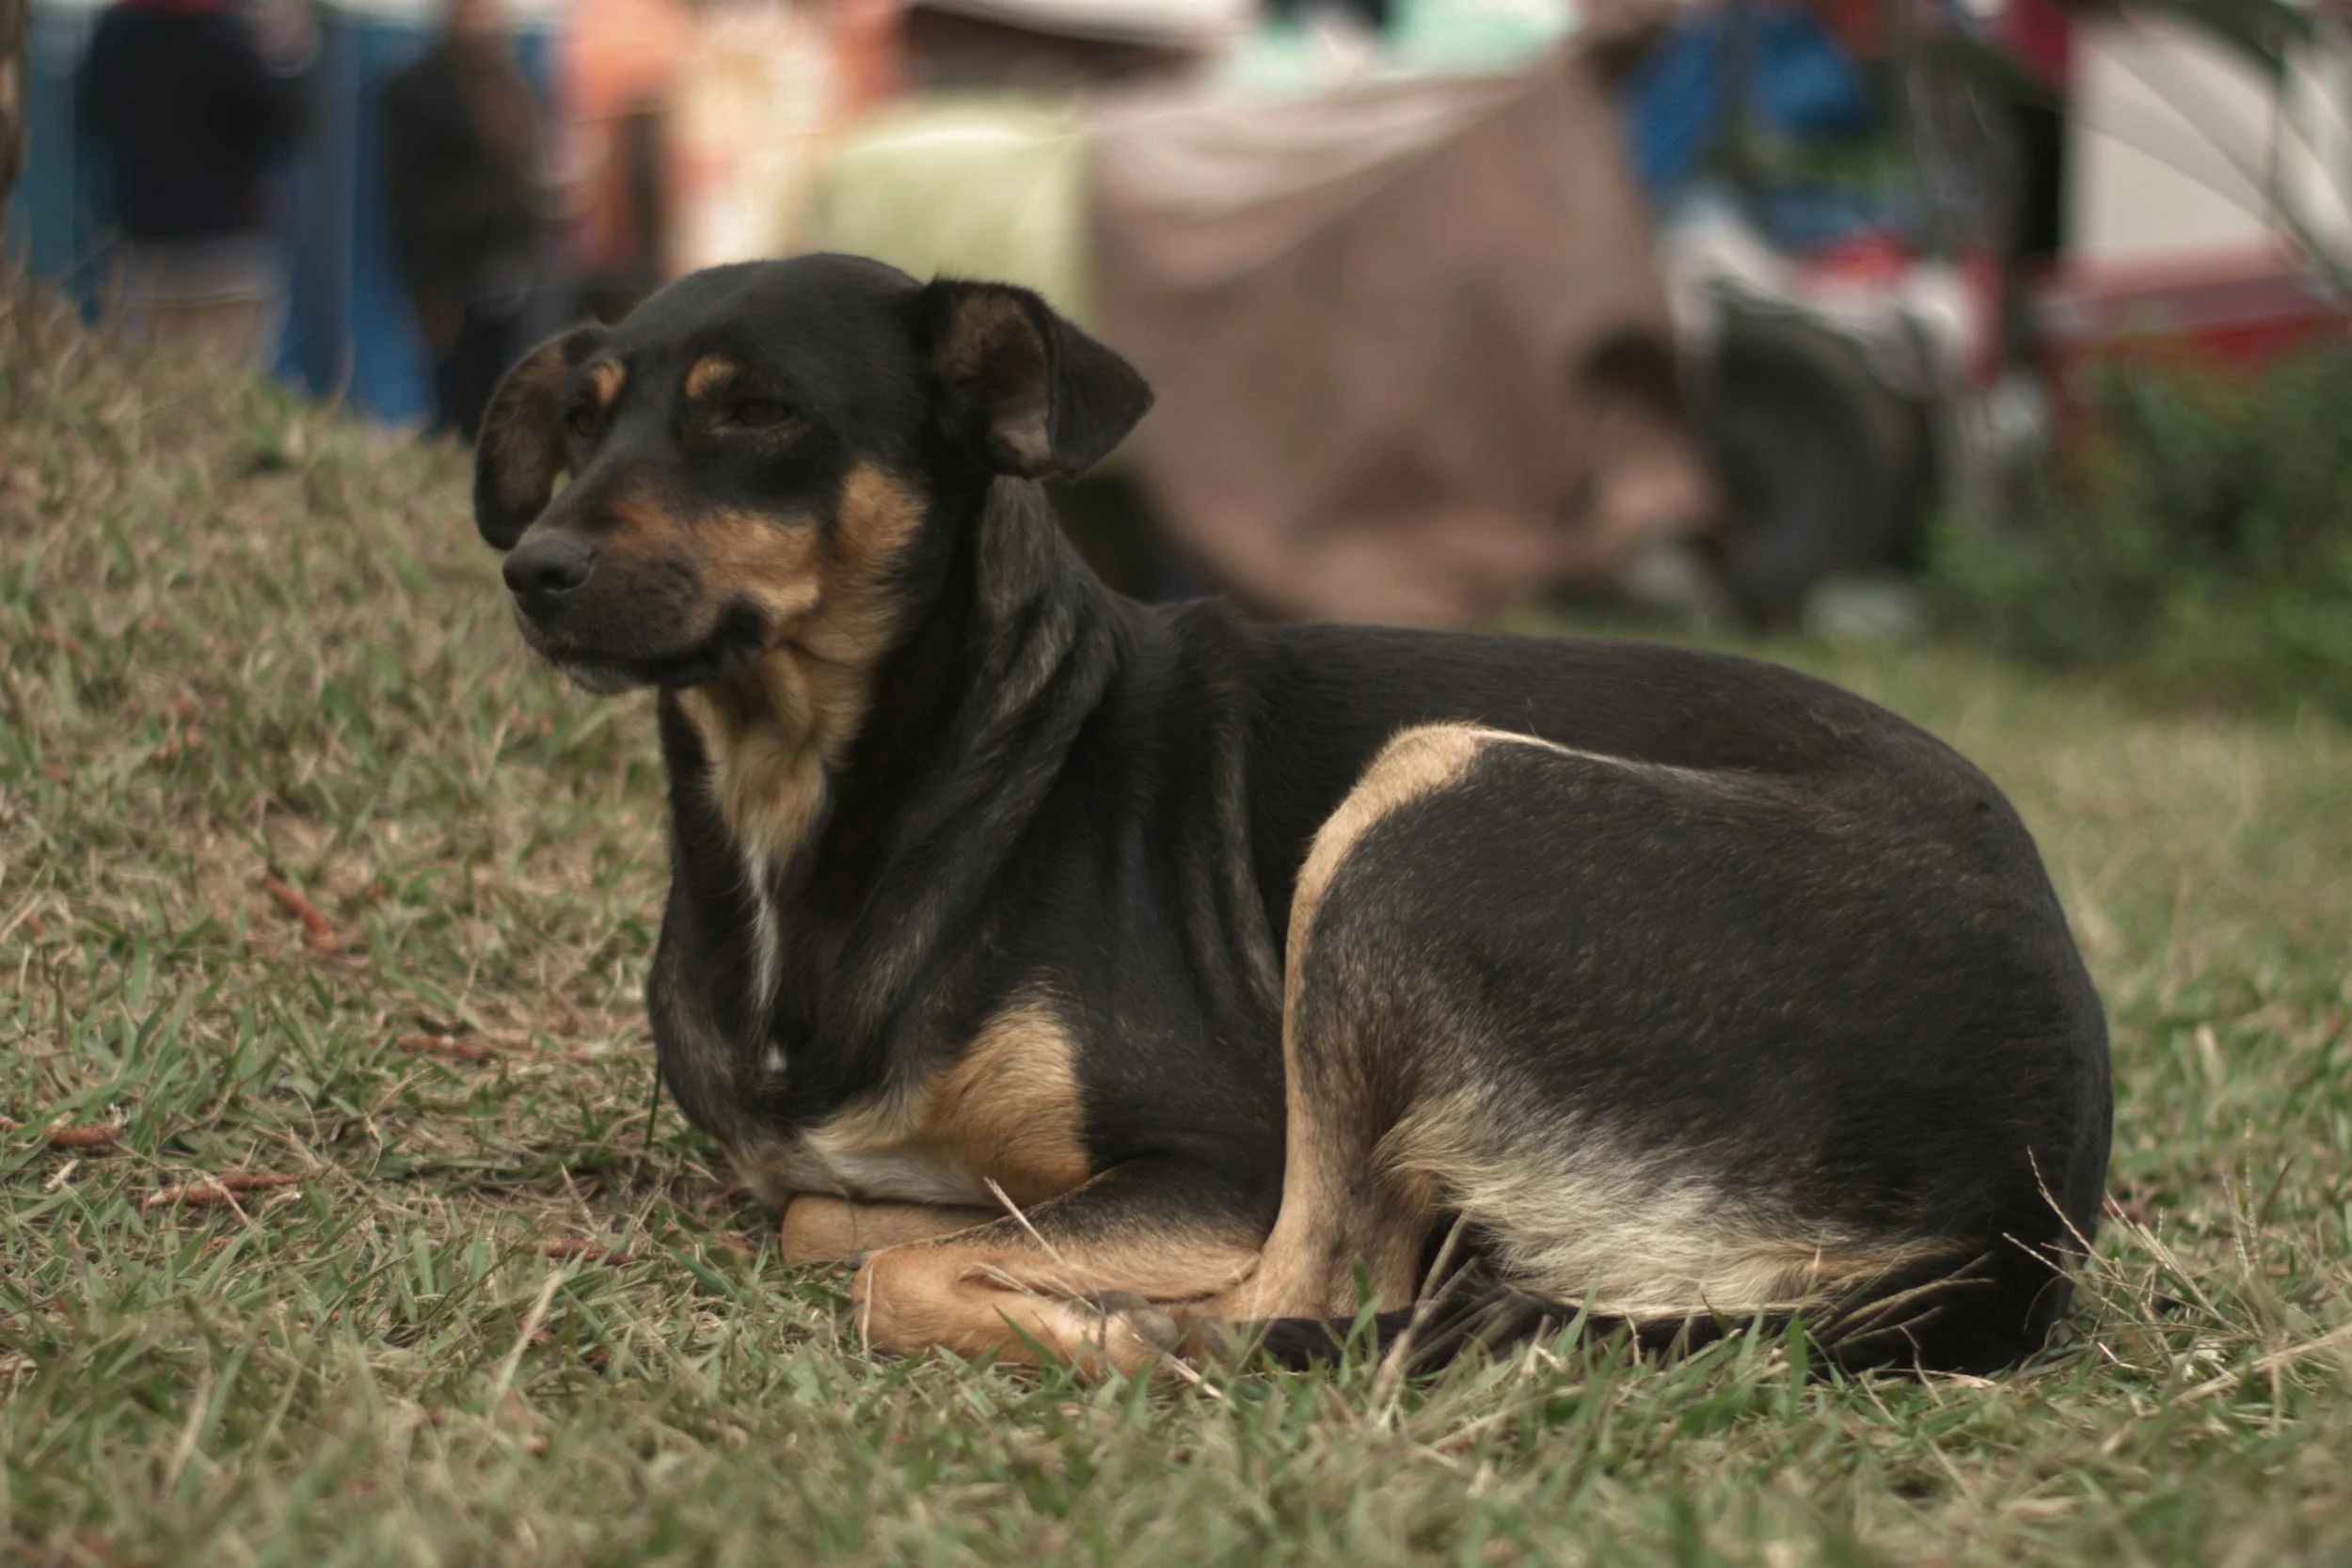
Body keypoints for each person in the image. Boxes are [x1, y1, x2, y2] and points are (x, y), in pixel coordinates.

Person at [79, 0, 310, 367]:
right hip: (228, 254)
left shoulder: (114, 32)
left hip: (145, 247)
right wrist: (288, 58)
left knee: (155, 388)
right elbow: (278, 124)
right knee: (231, 389)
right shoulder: (231, 40)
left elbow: (92, 119)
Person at [384, 0, 548, 441]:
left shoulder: (509, 84)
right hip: (452, 275)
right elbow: (407, 198)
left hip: (512, 268)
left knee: (510, 396)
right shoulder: (416, 89)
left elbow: (525, 165)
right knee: (456, 401)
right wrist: (429, 289)